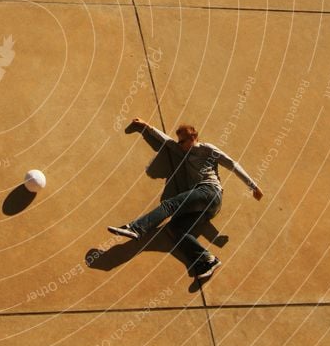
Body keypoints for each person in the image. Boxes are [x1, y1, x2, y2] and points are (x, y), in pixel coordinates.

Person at [108, 118, 263, 280]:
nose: (180, 144)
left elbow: (232, 164)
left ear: (193, 138)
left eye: (182, 141)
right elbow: (166, 141)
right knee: (175, 228)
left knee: (170, 205)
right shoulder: (183, 151)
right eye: (179, 141)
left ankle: (136, 228)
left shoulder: (207, 149)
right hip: (205, 208)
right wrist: (146, 126)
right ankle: (207, 259)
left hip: (209, 191)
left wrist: (253, 186)